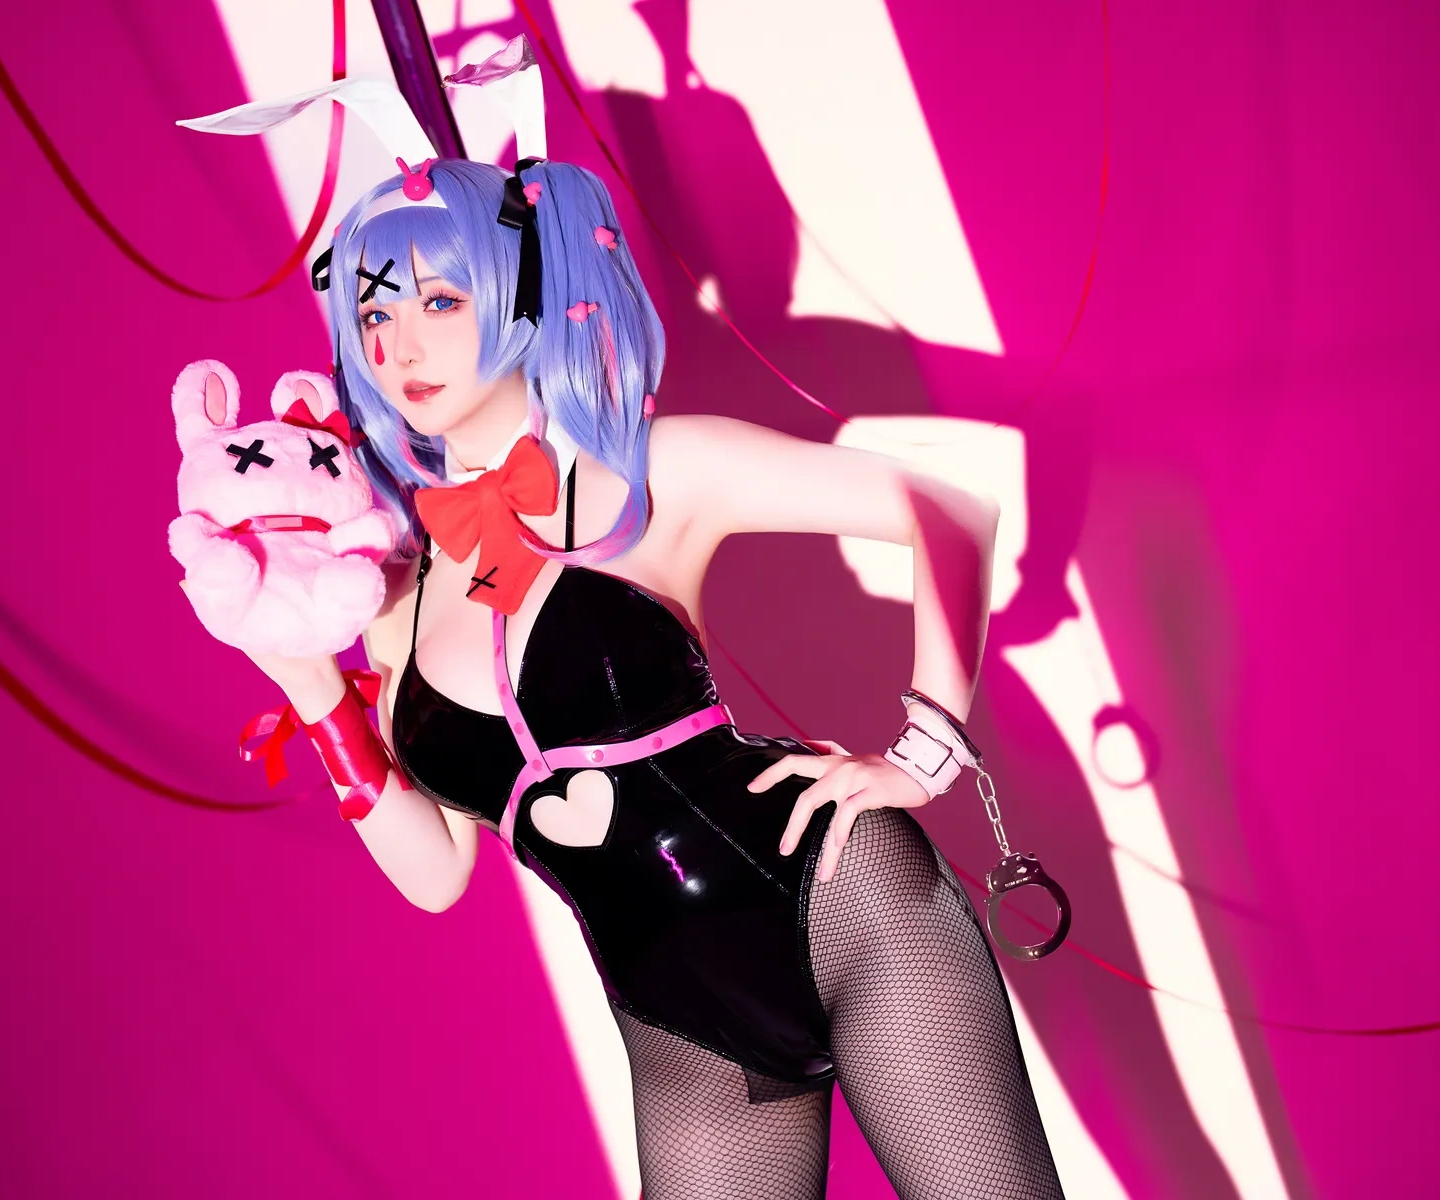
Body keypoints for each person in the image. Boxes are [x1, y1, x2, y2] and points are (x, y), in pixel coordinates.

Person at [180, 62, 1065, 1200]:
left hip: (846, 905)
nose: (400, 346)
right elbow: (437, 875)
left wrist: (925, 751)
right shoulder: (395, 596)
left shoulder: (651, 474)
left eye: (441, 303)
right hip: (675, 1020)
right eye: (376, 313)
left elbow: (947, 510)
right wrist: (305, 683)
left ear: (521, 296)